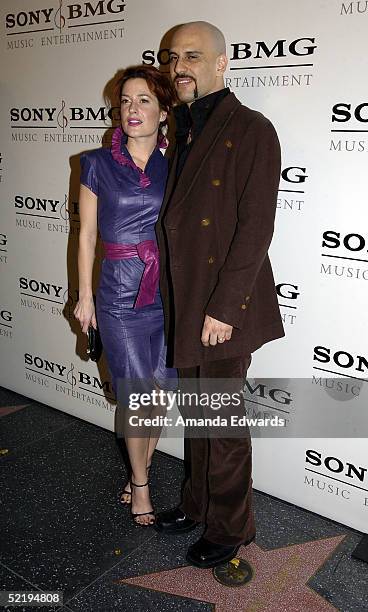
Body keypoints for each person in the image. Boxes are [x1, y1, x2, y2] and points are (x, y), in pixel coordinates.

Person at [155, 22, 285, 566]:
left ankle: (232, 527)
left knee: (223, 425)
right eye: (171, 58)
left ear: (221, 64)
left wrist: (225, 309)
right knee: (200, 415)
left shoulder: (252, 128)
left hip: (222, 308)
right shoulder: (180, 130)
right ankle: (197, 503)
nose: (179, 67)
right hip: (187, 299)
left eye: (192, 56)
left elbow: (255, 228)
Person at [73, 65, 177, 526]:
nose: (132, 110)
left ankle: (142, 465)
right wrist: (85, 297)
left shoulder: (176, 166)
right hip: (118, 294)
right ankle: (140, 484)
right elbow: (87, 237)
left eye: (144, 100)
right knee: (137, 395)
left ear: (164, 112)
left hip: (168, 294)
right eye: (126, 101)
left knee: (159, 392)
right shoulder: (95, 164)